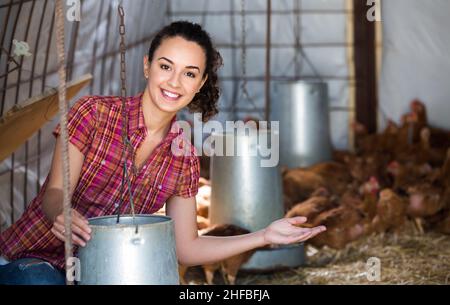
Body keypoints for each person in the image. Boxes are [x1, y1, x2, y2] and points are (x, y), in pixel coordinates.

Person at [0, 21, 326, 285]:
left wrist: (264, 235)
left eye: (189, 73)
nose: (174, 82)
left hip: (102, 274)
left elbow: (187, 248)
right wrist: (62, 213)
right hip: (28, 261)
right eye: (166, 66)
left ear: (200, 83)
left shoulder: (183, 157)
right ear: (147, 66)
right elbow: (55, 193)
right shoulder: (93, 113)